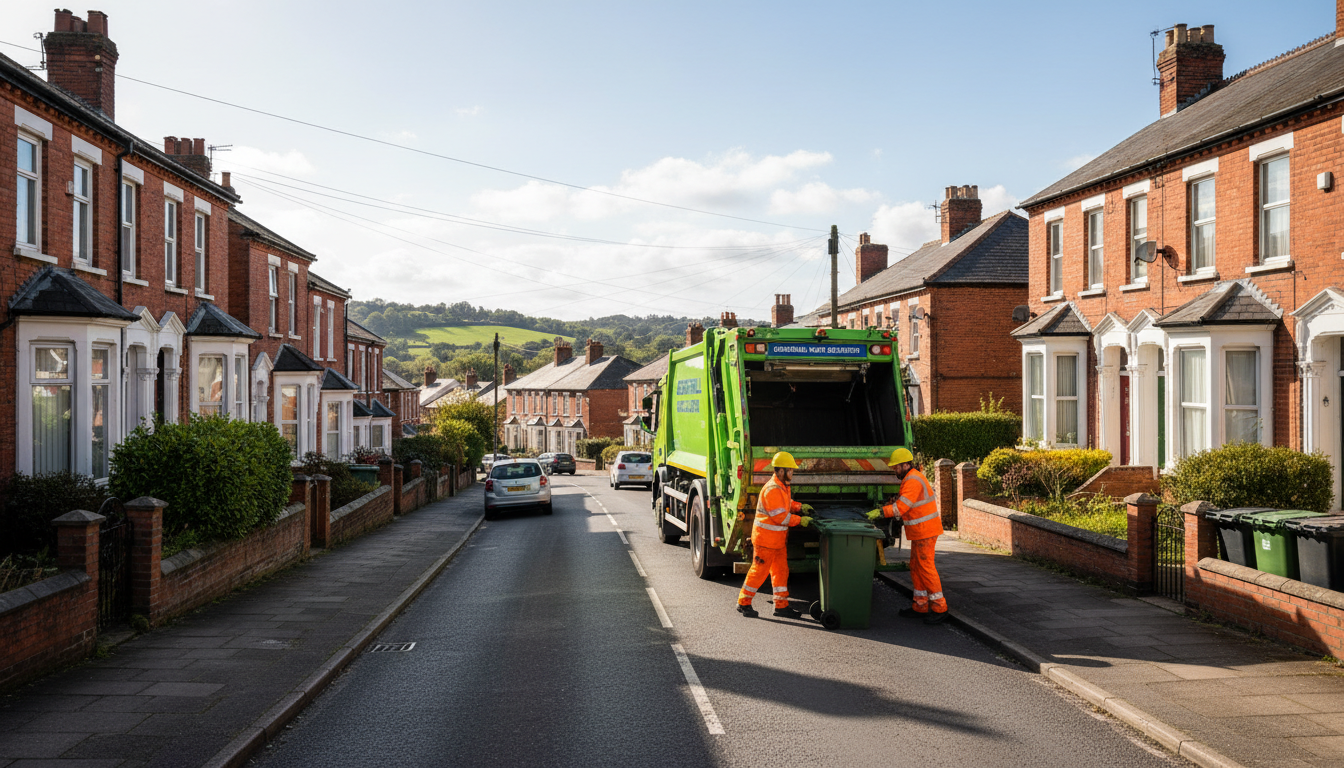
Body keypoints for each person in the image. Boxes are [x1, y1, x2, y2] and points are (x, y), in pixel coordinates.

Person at [867, 448, 947, 624]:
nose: (895, 471)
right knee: (916, 566)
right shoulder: (911, 478)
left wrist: (881, 512)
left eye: (897, 467)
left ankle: (940, 608)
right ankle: (920, 605)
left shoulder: (912, 480)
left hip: (925, 531)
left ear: (906, 465)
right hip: (921, 531)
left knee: (925, 567)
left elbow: (901, 508)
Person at [738, 452, 813, 619]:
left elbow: (786, 505)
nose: (792, 474)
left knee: (781, 572)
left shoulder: (783, 486)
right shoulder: (772, 489)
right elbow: (780, 517)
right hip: (766, 541)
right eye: (790, 471)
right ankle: (743, 602)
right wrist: (801, 520)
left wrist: (800, 507)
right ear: (780, 471)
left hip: (777, 542)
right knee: (759, 572)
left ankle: (781, 606)